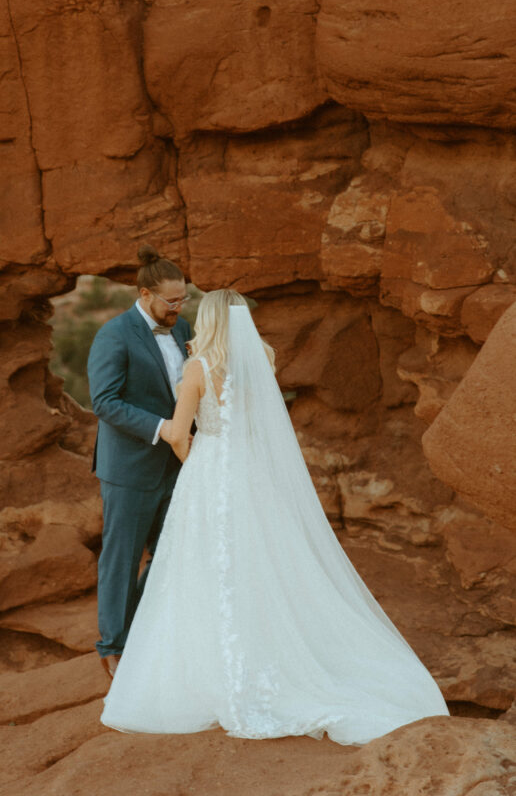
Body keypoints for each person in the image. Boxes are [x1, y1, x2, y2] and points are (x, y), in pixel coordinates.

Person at [101, 289, 449, 746]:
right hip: (252, 475)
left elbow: (180, 434)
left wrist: (201, 466)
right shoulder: (258, 360)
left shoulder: (197, 367)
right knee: (259, 565)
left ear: (208, 321)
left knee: (203, 569)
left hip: (210, 476)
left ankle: (210, 668)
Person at [87, 246, 193, 681]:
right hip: (130, 468)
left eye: (183, 299)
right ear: (145, 294)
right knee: (122, 557)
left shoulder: (182, 327)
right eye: (171, 301)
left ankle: (142, 631)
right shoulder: (114, 334)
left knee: (171, 552)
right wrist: (163, 428)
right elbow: (105, 402)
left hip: (179, 464)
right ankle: (112, 647)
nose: (178, 308)